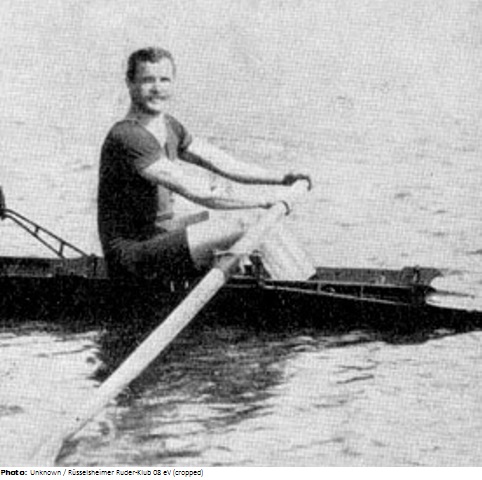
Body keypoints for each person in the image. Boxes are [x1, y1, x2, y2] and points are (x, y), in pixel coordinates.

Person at [98, 47, 311, 281]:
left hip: (160, 238)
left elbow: (226, 164)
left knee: (248, 217)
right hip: (132, 258)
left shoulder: (169, 126)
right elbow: (201, 193)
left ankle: (304, 283)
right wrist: (266, 200)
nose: (158, 88)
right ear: (129, 83)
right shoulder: (127, 136)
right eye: (148, 80)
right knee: (251, 220)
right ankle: (307, 291)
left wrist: (284, 178)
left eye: (164, 80)